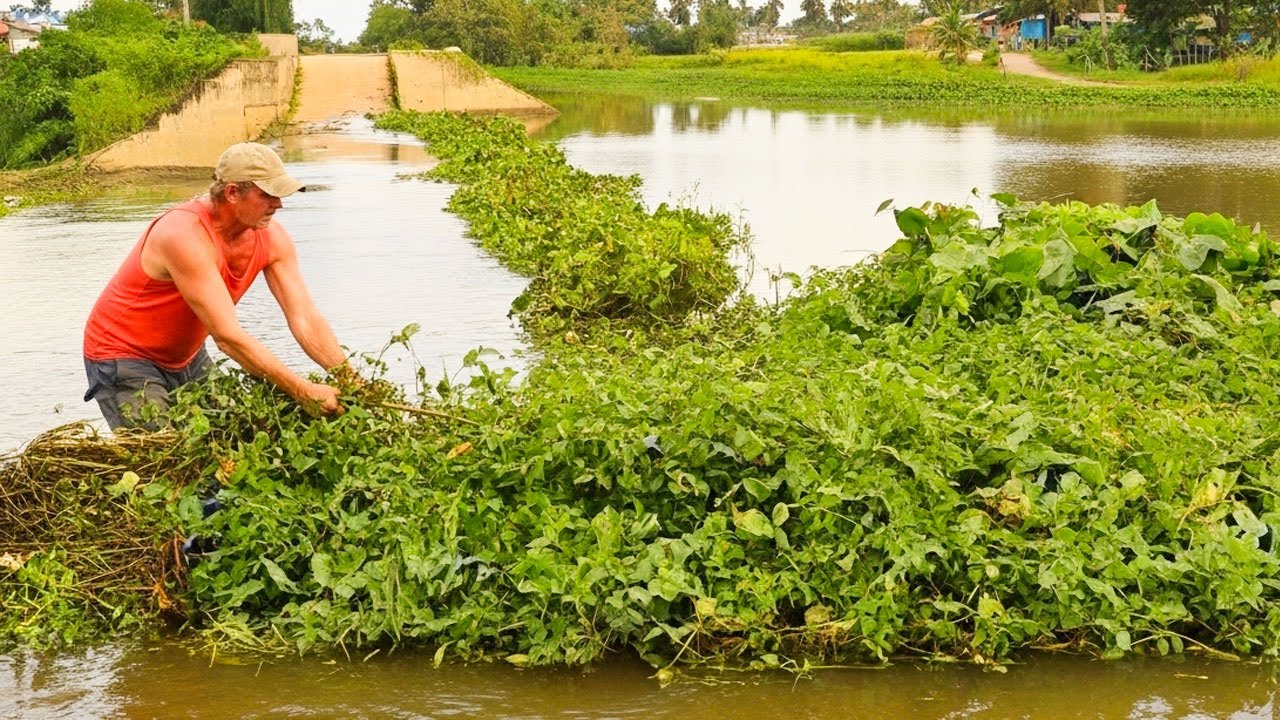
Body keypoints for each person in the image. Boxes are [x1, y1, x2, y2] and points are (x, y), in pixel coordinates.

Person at [83, 142, 351, 429]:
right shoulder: (183, 235)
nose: (278, 204)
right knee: (163, 449)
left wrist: (350, 380)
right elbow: (227, 337)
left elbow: (304, 317)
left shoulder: (272, 237)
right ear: (232, 192)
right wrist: (302, 390)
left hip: (186, 356)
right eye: (267, 195)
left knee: (236, 434)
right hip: (123, 356)